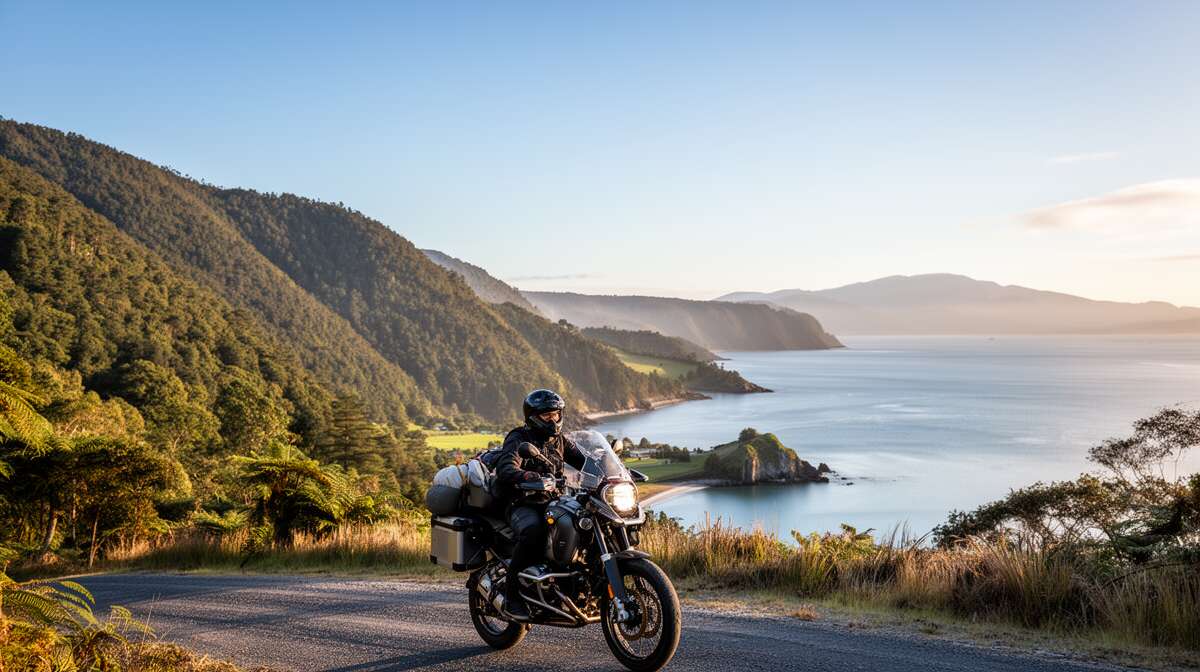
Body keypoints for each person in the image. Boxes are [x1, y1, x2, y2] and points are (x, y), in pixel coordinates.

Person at [495, 388, 587, 620]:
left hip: (552, 502)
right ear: (533, 417)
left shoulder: (560, 441)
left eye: (556, 414)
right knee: (533, 531)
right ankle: (511, 595)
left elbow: (585, 461)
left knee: (581, 524)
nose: (553, 419)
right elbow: (506, 467)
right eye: (547, 416)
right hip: (521, 502)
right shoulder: (518, 438)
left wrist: (611, 467)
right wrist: (527, 477)